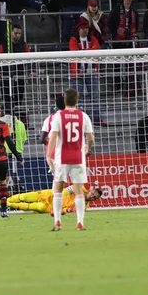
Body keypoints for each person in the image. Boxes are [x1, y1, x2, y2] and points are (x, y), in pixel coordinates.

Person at [46, 88, 94, 231]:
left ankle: (57, 221)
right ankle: (80, 222)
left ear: (65, 100)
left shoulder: (59, 116)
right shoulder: (83, 116)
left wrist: (49, 155)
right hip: (78, 158)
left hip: (62, 158)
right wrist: (87, 148)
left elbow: (53, 136)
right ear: (77, 100)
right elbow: (91, 137)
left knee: (58, 189)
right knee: (79, 191)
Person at [69, 21, 104, 125]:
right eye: (83, 28)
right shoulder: (73, 39)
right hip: (77, 74)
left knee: (95, 96)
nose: (85, 30)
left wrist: (84, 51)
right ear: (78, 29)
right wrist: (89, 51)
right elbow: (74, 52)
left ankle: (96, 119)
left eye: (86, 28)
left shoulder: (93, 39)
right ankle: (77, 120)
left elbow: (97, 50)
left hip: (92, 72)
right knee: (77, 98)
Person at [0, 24, 30, 121]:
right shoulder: (3, 45)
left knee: (19, 100)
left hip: (20, 77)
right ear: (10, 33)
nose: (18, 35)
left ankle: (17, 120)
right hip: (6, 78)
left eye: (19, 33)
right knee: (7, 100)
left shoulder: (24, 45)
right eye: (16, 33)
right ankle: (8, 120)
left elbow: (30, 59)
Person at [0, 186, 102, 214]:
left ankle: (8, 204)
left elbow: (68, 211)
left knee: (36, 206)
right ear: (91, 190)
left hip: (51, 207)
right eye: (92, 193)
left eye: (94, 197)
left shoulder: (83, 207)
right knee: (23, 197)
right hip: (49, 195)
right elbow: (66, 191)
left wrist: (66, 211)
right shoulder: (80, 187)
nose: (91, 196)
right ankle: (2, 201)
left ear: (95, 200)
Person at [40, 96, 66, 172]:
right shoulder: (70, 118)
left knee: (57, 178)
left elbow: (41, 139)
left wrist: (48, 144)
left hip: (52, 153)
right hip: (66, 152)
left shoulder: (49, 119)